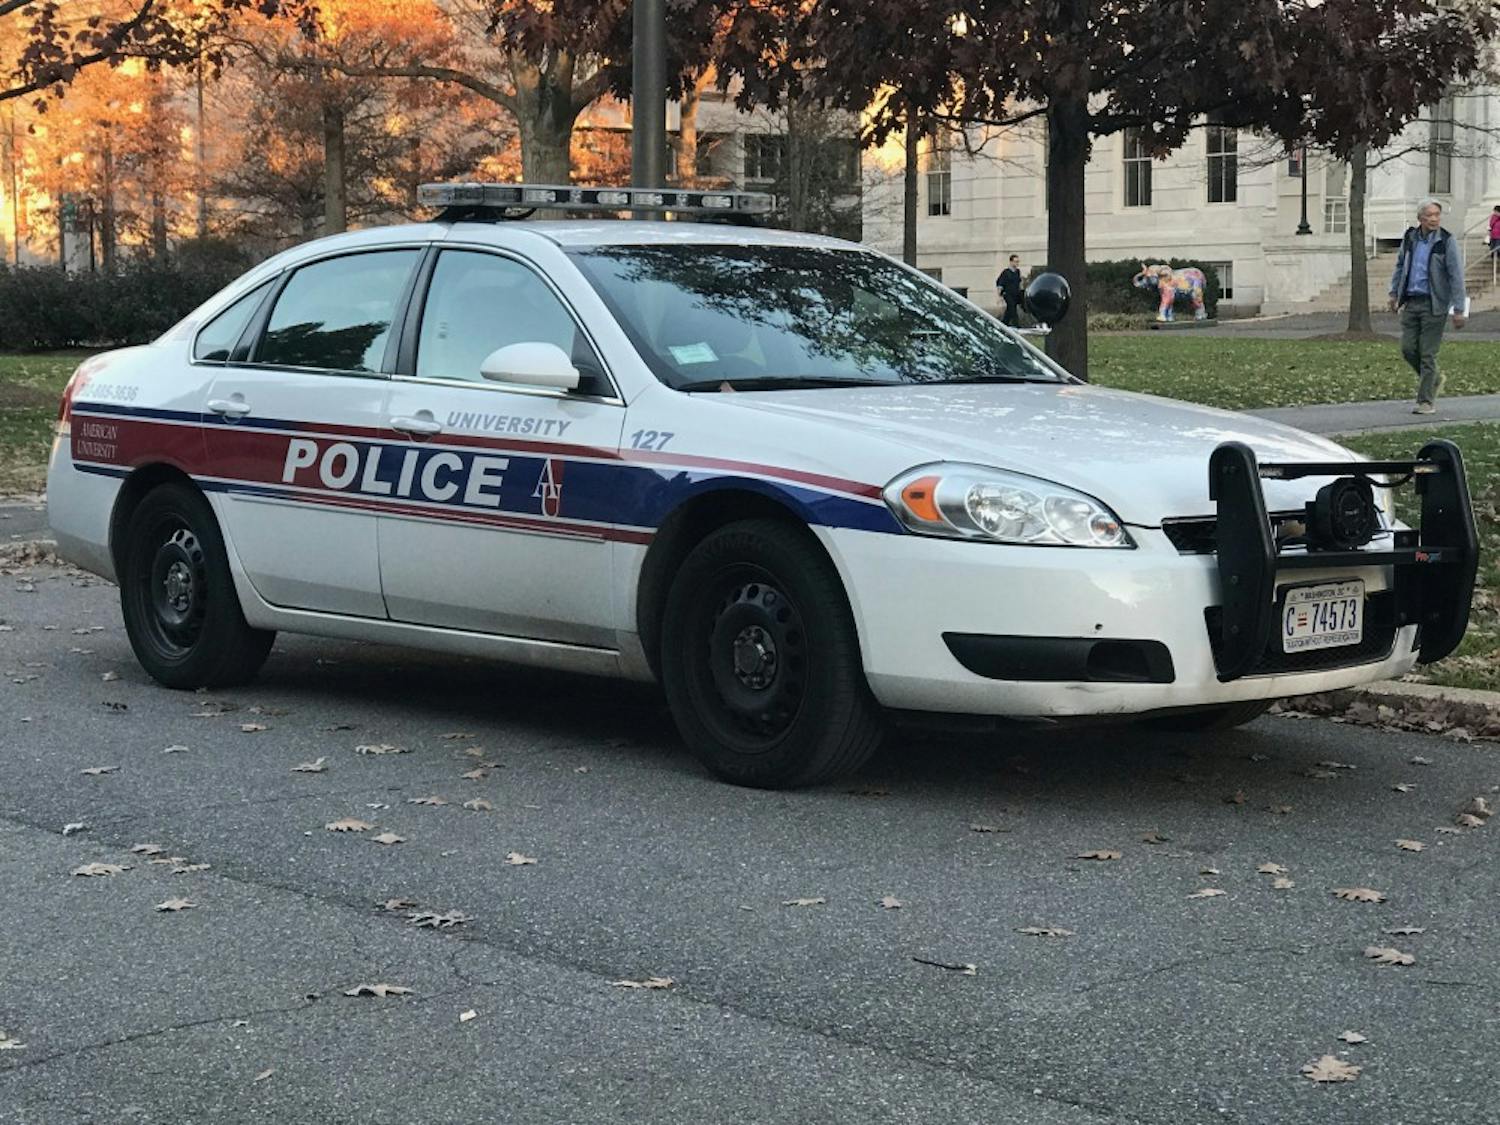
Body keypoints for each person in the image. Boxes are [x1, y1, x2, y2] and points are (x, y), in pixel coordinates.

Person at [1388, 199, 1467, 415]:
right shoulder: (1411, 238)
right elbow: (1400, 265)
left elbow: (1456, 276)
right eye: (1429, 215)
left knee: (1427, 354)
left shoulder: (1446, 241)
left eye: (1437, 215)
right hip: (1412, 302)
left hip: (1435, 304)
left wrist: (1459, 309)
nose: (1434, 219)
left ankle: (1426, 401)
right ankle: (1434, 378)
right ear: (1420, 218)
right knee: (1408, 349)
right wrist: (1393, 292)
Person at [995, 254, 1023, 327]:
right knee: (1012, 309)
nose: (1017, 263)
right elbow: (1000, 283)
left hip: (1015, 294)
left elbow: (1019, 283)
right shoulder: (1006, 272)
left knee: (1009, 310)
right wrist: (999, 296)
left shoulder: (1017, 272)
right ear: (1011, 262)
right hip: (1007, 294)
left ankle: (1004, 323)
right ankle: (1016, 324)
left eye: (1018, 262)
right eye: (1015, 261)